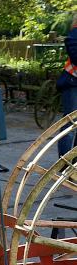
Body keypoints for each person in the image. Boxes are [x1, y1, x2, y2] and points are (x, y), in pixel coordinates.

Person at [56, 13, 77, 157]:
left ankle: (73, 163)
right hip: (72, 83)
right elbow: (75, 56)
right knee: (70, 124)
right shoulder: (75, 33)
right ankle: (64, 164)